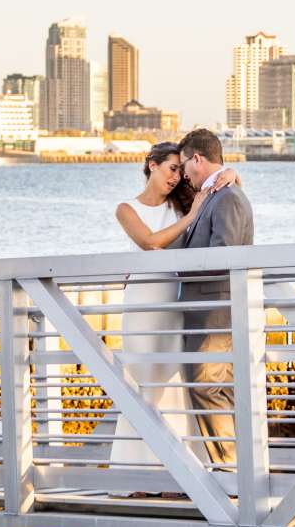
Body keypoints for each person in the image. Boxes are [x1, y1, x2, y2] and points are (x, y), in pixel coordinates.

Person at [105, 142, 236, 488]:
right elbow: (149, 242)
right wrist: (192, 217)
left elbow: (219, 184)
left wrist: (232, 173)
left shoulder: (181, 202)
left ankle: (179, 479)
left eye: (181, 170)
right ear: (151, 165)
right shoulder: (126, 209)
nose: (178, 177)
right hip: (141, 306)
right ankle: (136, 477)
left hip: (172, 303)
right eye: (171, 169)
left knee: (174, 386)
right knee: (141, 386)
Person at [167, 126, 256, 465]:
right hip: (208, 310)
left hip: (217, 311)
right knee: (216, 387)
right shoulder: (214, 195)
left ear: (198, 159)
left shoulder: (228, 196)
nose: (184, 174)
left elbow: (225, 255)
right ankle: (234, 468)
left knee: (206, 385)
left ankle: (231, 468)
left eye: (185, 165)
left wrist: (180, 266)